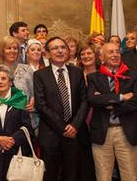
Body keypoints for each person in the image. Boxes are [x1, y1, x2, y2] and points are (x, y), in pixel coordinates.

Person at [87, 42, 137, 181]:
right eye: (110, 52)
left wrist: (112, 105)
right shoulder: (93, 78)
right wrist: (121, 97)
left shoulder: (133, 76)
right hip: (102, 133)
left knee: (130, 176)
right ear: (101, 56)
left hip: (126, 132)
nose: (115, 55)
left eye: (117, 52)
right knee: (103, 176)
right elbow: (92, 99)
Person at [34, 37, 90, 181]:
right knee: (50, 175)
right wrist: (64, 127)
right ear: (46, 54)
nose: (59, 51)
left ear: (68, 51)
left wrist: (75, 125)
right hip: (51, 135)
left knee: (73, 175)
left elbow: (84, 101)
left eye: (62, 47)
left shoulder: (77, 72)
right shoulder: (40, 75)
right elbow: (41, 105)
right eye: (54, 48)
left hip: (76, 134)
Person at [0, 65, 33, 181]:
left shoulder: (20, 99)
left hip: (14, 153)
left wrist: (12, 140)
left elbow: (27, 126)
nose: (0, 82)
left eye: (3, 78)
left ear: (10, 82)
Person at [0, 36, 34, 112]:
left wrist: (33, 100)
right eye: (9, 48)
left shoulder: (27, 70)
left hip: (25, 116)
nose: (12, 51)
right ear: (2, 51)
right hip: (1, 118)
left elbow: (34, 92)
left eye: (15, 48)